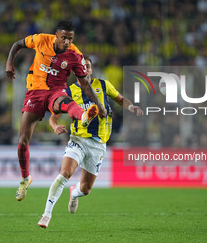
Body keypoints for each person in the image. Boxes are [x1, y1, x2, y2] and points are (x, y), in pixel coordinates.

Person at [5, 20, 107, 201]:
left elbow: (84, 83)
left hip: (55, 91)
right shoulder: (41, 39)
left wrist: (98, 105)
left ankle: (83, 115)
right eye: (64, 38)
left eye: (70, 38)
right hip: (35, 92)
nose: (67, 42)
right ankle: (25, 178)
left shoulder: (75, 55)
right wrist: (9, 63)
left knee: (66, 103)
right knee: (22, 141)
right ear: (56, 35)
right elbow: (17, 44)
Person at [37, 55, 143, 228]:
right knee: (64, 174)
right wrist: (55, 126)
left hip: (98, 144)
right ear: (77, 70)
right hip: (78, 139)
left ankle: (74, 192)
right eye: (82, 65)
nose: (85, 68)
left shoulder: (103, 85)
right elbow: (53, 117)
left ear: (91, 70)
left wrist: (132, 107)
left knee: (85, 189)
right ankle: (46, 214)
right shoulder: (69, 91)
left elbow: (120, 99)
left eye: (88, 65)